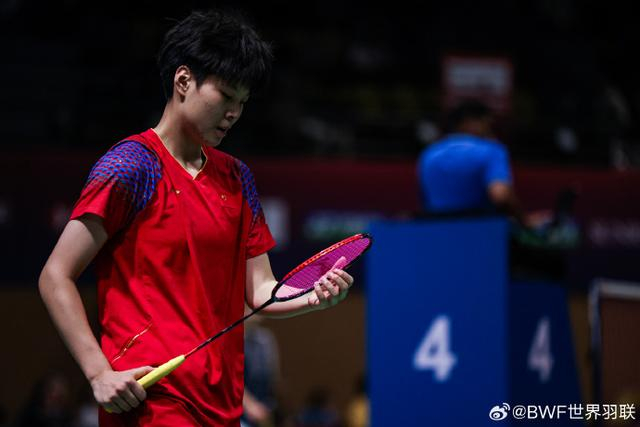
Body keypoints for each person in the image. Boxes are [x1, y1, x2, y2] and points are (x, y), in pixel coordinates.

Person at [38, 9, 354, 427]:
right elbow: (56, 275)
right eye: (225, 96)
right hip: (150, 398)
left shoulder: (237, 178)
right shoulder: (132, 166)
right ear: (183, 81)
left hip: (222, 402)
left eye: (242, 103)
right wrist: (98, 372)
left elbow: (261, 289)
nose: (233, 113)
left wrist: (312, 296)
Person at [417, 99, 529, 227]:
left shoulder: (429, 153)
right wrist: (524, 220)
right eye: (486, 124)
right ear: (469, 122)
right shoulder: (491, 150)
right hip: (480, 231)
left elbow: (426, 200)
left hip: (436, 230)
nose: (489, 131)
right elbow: (500, 195)